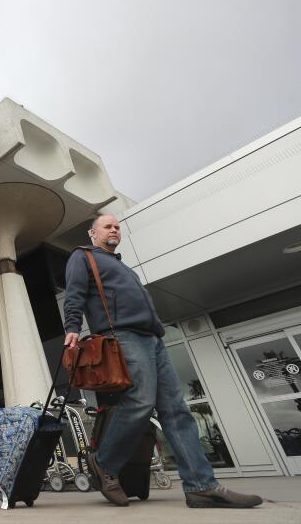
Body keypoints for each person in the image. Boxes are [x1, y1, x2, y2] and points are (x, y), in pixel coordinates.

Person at [63, 214, 262, 509]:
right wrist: (72, 328)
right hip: (123, 336)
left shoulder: (122, 266)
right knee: (140, 402)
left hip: (153, 338)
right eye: (108, 226)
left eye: (118, 226)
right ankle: (104, 462)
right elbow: (75, 294)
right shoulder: (84, 256)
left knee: (177, 411)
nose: (115, 229)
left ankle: (201, 487)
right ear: (94, 233)